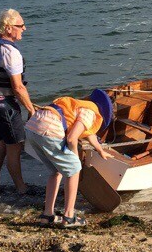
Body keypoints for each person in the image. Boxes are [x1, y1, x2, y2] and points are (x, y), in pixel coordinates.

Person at [25, 94, 112, 227]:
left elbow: (89, 134)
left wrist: (99, 150)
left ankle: (47, 215)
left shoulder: (81, 106)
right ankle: (69, 217)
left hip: (32, 127)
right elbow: (72, 138)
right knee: (74, 170)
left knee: (55, 172)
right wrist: (76, 160)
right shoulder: (91, 113)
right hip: (49, 129)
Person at [0, 9, 37, 195]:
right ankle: (21, 188)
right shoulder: (10, 52)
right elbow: (18, 87)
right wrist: (32, 110)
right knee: (14, 146)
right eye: (21, 26)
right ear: (9, 28)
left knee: (1, 144)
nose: (24, 28)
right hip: (3, 105)